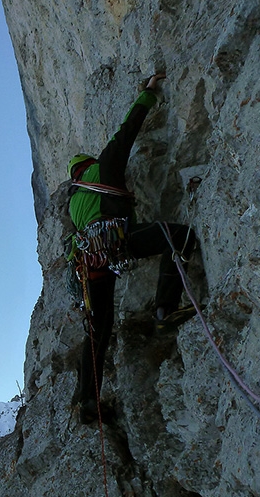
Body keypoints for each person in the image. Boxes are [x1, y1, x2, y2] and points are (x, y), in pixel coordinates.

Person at [67, 73, 197, 425]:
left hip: (89, 265)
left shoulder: (73, 205)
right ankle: (164, 311)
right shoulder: (102, 170)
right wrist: (148, 95)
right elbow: (126, 134)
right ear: (88, 166)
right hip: (117, 244)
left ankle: (87, 402)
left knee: (98, 329)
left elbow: (72, 245)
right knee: (179, 237)